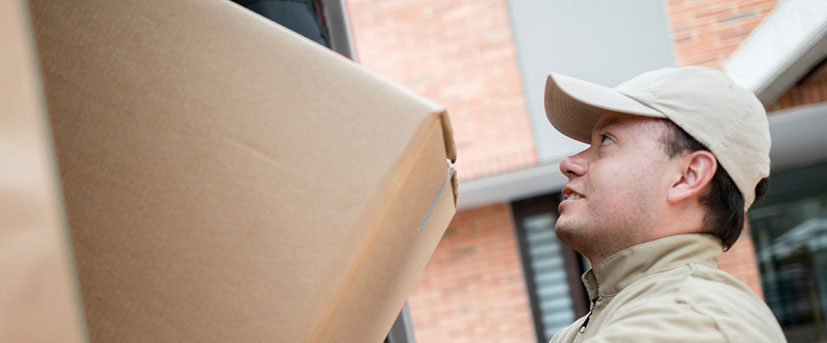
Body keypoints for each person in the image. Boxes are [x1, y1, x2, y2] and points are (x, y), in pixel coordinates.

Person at [543, 66, 786, 342]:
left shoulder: (692, 319)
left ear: (687, 176)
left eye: (606, 141)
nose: (569, 163)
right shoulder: (589, 327)